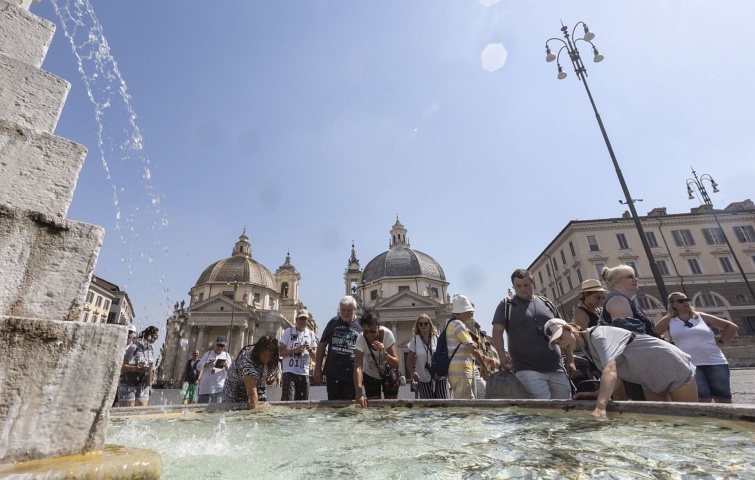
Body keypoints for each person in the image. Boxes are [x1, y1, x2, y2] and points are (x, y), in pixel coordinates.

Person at [545, 319, 697, 418]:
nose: (561, 344)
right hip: (648, 380)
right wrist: (594, 394)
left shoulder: (599, 335)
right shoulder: (587, 347)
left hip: (671, 365)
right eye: (557, 343)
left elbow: (610, 371)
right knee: (662, 423)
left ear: (567, 328)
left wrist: (600, 407)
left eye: (560, 338)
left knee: (689, 421)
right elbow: (616, 379)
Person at [491, 269, 573, 400]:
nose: (523, 289)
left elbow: (565, 331)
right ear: (513, 286)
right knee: (543, 410)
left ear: (532, 283)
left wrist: (571, 360)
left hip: (557, 367)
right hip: (527, 369)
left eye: (526, 285)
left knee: (565, 408)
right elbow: (497, 332)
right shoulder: (507, 305)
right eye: (518, 286)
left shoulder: (547, 303)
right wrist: (502, 356)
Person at [656, 292, 739, 403]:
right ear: (672, 305)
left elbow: (731, 327)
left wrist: (720, 342)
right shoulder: (669, 320)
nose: (685, 302)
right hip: (691, 365)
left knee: (723, 398)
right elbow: (653, 335)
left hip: (715, 362)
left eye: (687, 299)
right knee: (702, 399)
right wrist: (669, 347)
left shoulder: (701, 317)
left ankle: (728, 420)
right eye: (681, 301)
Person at [600, 265, 658, 400]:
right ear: (617, 282)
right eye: (630, 276)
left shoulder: (621, 300)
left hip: (634, 364)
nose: (635, 279)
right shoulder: (618, 300)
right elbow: (629, 337)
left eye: (635, 275)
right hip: (635, 364)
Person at [444, 295, 494, 399]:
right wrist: (484, 367)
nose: (470, 315)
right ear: (461, 312)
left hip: (458, 372)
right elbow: (473, 348)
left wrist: (485, 359)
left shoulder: (449, 324)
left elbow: (464, 349)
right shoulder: (458, 325)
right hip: (461, 372)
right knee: (465, 407)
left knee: (470, 402)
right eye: (468, 312)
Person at [314, 296, 362, 400]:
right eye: (342, 310)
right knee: (333, 404)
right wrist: (318, 368)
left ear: (354, 310)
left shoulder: (361, 324)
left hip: (353, 373)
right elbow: (322, 345)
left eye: (348, 310)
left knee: (351, 405)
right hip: (333, 372)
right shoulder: (333, 322)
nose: (345, 313)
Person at [354, 312, 400, 407]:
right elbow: (358, 366)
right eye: (366, 332)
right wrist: (359, 393)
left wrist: (385, 353)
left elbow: (396, 364)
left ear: (378, 327)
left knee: (391, 407)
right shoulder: (361, 339)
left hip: (388, 372)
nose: (370, 335)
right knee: (374, 406)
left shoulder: (387, 334)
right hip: (370, 373)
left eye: (373, 331)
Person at [223, 336, 280, 410]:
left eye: (270, 356)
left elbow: (267, 381)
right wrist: (255, 415)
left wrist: (270, 380)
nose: (267, 359)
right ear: (259, 351)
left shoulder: (272, 359)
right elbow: (252, 393)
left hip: (258, 386)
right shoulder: (247, 361)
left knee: (263, 408)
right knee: (233, 412)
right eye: (265, 355)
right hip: (235, 388)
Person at [406, 314, 449, 399]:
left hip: (439, 377)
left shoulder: (437, 338)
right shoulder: (415, 340)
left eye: (425, 323)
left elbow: (444, 357)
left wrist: (441, 372)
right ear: (417, 325)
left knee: (443, 406)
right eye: (420, 324)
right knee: (427, 408)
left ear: (430, 324)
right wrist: (412, 372)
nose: (423, 326)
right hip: (423, 378)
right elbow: (409, 359)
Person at [279, 309, 318, 401]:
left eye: (305, 319)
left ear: (307, 321)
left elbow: (315, 356)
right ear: (296, 320)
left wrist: (310, 349)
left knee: (303, 402)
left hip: (304, 372)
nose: (302, 321)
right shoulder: (288, 332)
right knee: (288, 400)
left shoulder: (310, 334)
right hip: (289, 371)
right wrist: (294, 350)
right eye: (300, 319)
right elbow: (281, 352)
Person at [116, 326, 159, 407]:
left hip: (143, 384)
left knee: (141, 412)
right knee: (127, 412)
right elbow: (122, 366)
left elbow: (150, 369)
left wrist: (150, 386)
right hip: (128, 383)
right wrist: (135, 368)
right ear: (149, 335)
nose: (157, 338)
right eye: (155, 336)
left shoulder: (151, 350)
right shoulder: (134, 347)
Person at [197, 336, 233, 404]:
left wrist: (226, 366)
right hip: (206, 385)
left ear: (224, 346)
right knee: (200, 408)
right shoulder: (208, 354)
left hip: (218, 386)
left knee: (216, 409)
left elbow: (230, 371)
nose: (220, 347)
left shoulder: (226, 355)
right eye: (218, 345)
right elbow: (198, 366)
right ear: (215, 344)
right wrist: (207, 363)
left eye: (222, 346)